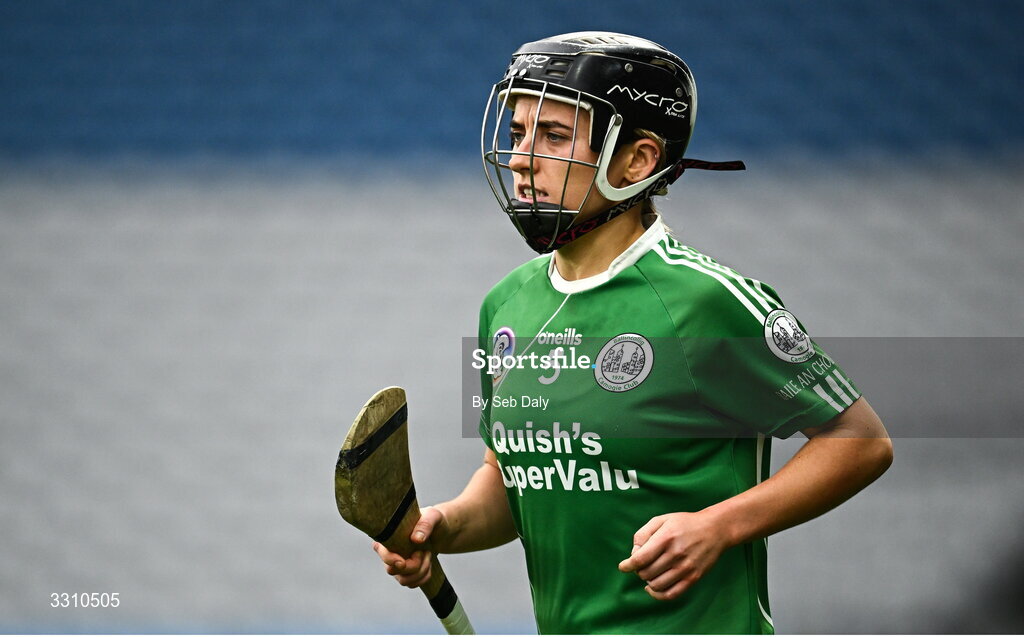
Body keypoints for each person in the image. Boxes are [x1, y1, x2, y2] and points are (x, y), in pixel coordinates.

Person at [374, 31, 893, 634]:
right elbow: (513, 477)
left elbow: (861, 441)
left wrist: (718, 526)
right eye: (518, 134)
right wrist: (447, 524)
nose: (519, 159)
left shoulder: (706, 301)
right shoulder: (502, 306)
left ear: (638, 160)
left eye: (554, 136)